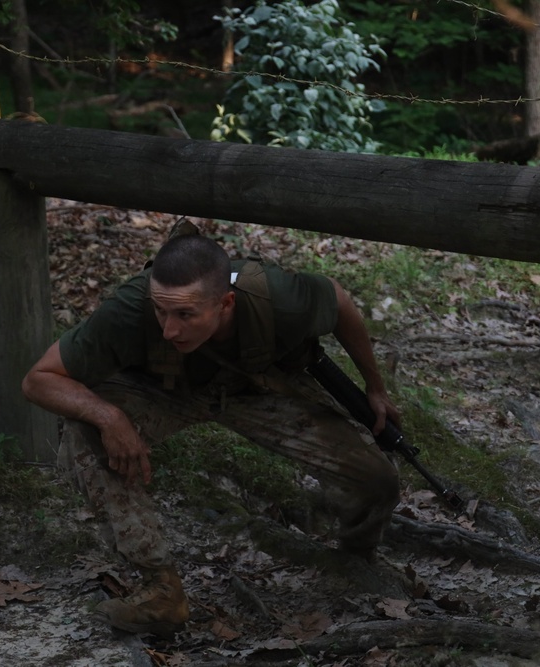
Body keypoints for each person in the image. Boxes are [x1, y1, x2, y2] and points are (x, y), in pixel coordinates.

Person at [22, 226, 401, 636]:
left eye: (185, 314)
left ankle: (355, 560)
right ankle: (161, 590)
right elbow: (39, 379)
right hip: (162, 391)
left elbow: (339, 300)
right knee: (87, 431)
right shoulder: (130, 309)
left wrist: (375, 388)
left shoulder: (281, 298)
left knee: (376, 478)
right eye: (161, 311)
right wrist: (109, 417)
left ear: (225, 304)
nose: (169, 329)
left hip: (256, 388)